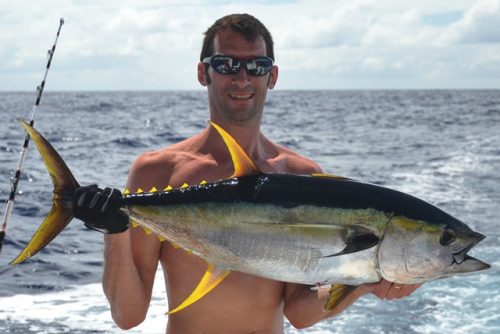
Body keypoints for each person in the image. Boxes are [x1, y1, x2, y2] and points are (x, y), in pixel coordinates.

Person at [74, 13, 421, 333]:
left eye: (257, 65)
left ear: (272, 76)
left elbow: (299, 313)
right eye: (226, 63)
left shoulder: (301, 175)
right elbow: (128, 315)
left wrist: (365, 281)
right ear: (203, 73)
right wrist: (114, 232)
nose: (242, 77)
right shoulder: (158, 171)